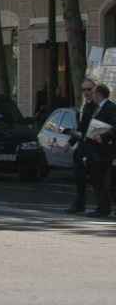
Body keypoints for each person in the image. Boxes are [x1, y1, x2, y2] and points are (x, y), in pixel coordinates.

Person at [66, 79, 98, 214]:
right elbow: (81, 128)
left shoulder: (98, 107)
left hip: (94, 148)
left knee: (97, 179)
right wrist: (70, 143)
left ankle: (102, 207)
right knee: (79, 178)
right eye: (83, 90)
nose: (86, 92)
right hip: (82, 147)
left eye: (89, 89)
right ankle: (79, 204)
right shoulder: (85, 107)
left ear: (95, 90)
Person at [88, 83, 116, 218]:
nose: (91, 95)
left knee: (106, 181)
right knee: (96, 179)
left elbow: (114, 128)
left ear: (99, 94)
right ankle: (101, 207)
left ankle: (105, 208)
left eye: (93, 92)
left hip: (106, 150)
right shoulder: (96, 108)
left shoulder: (111, 107)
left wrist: (103, 136)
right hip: (96, 149)